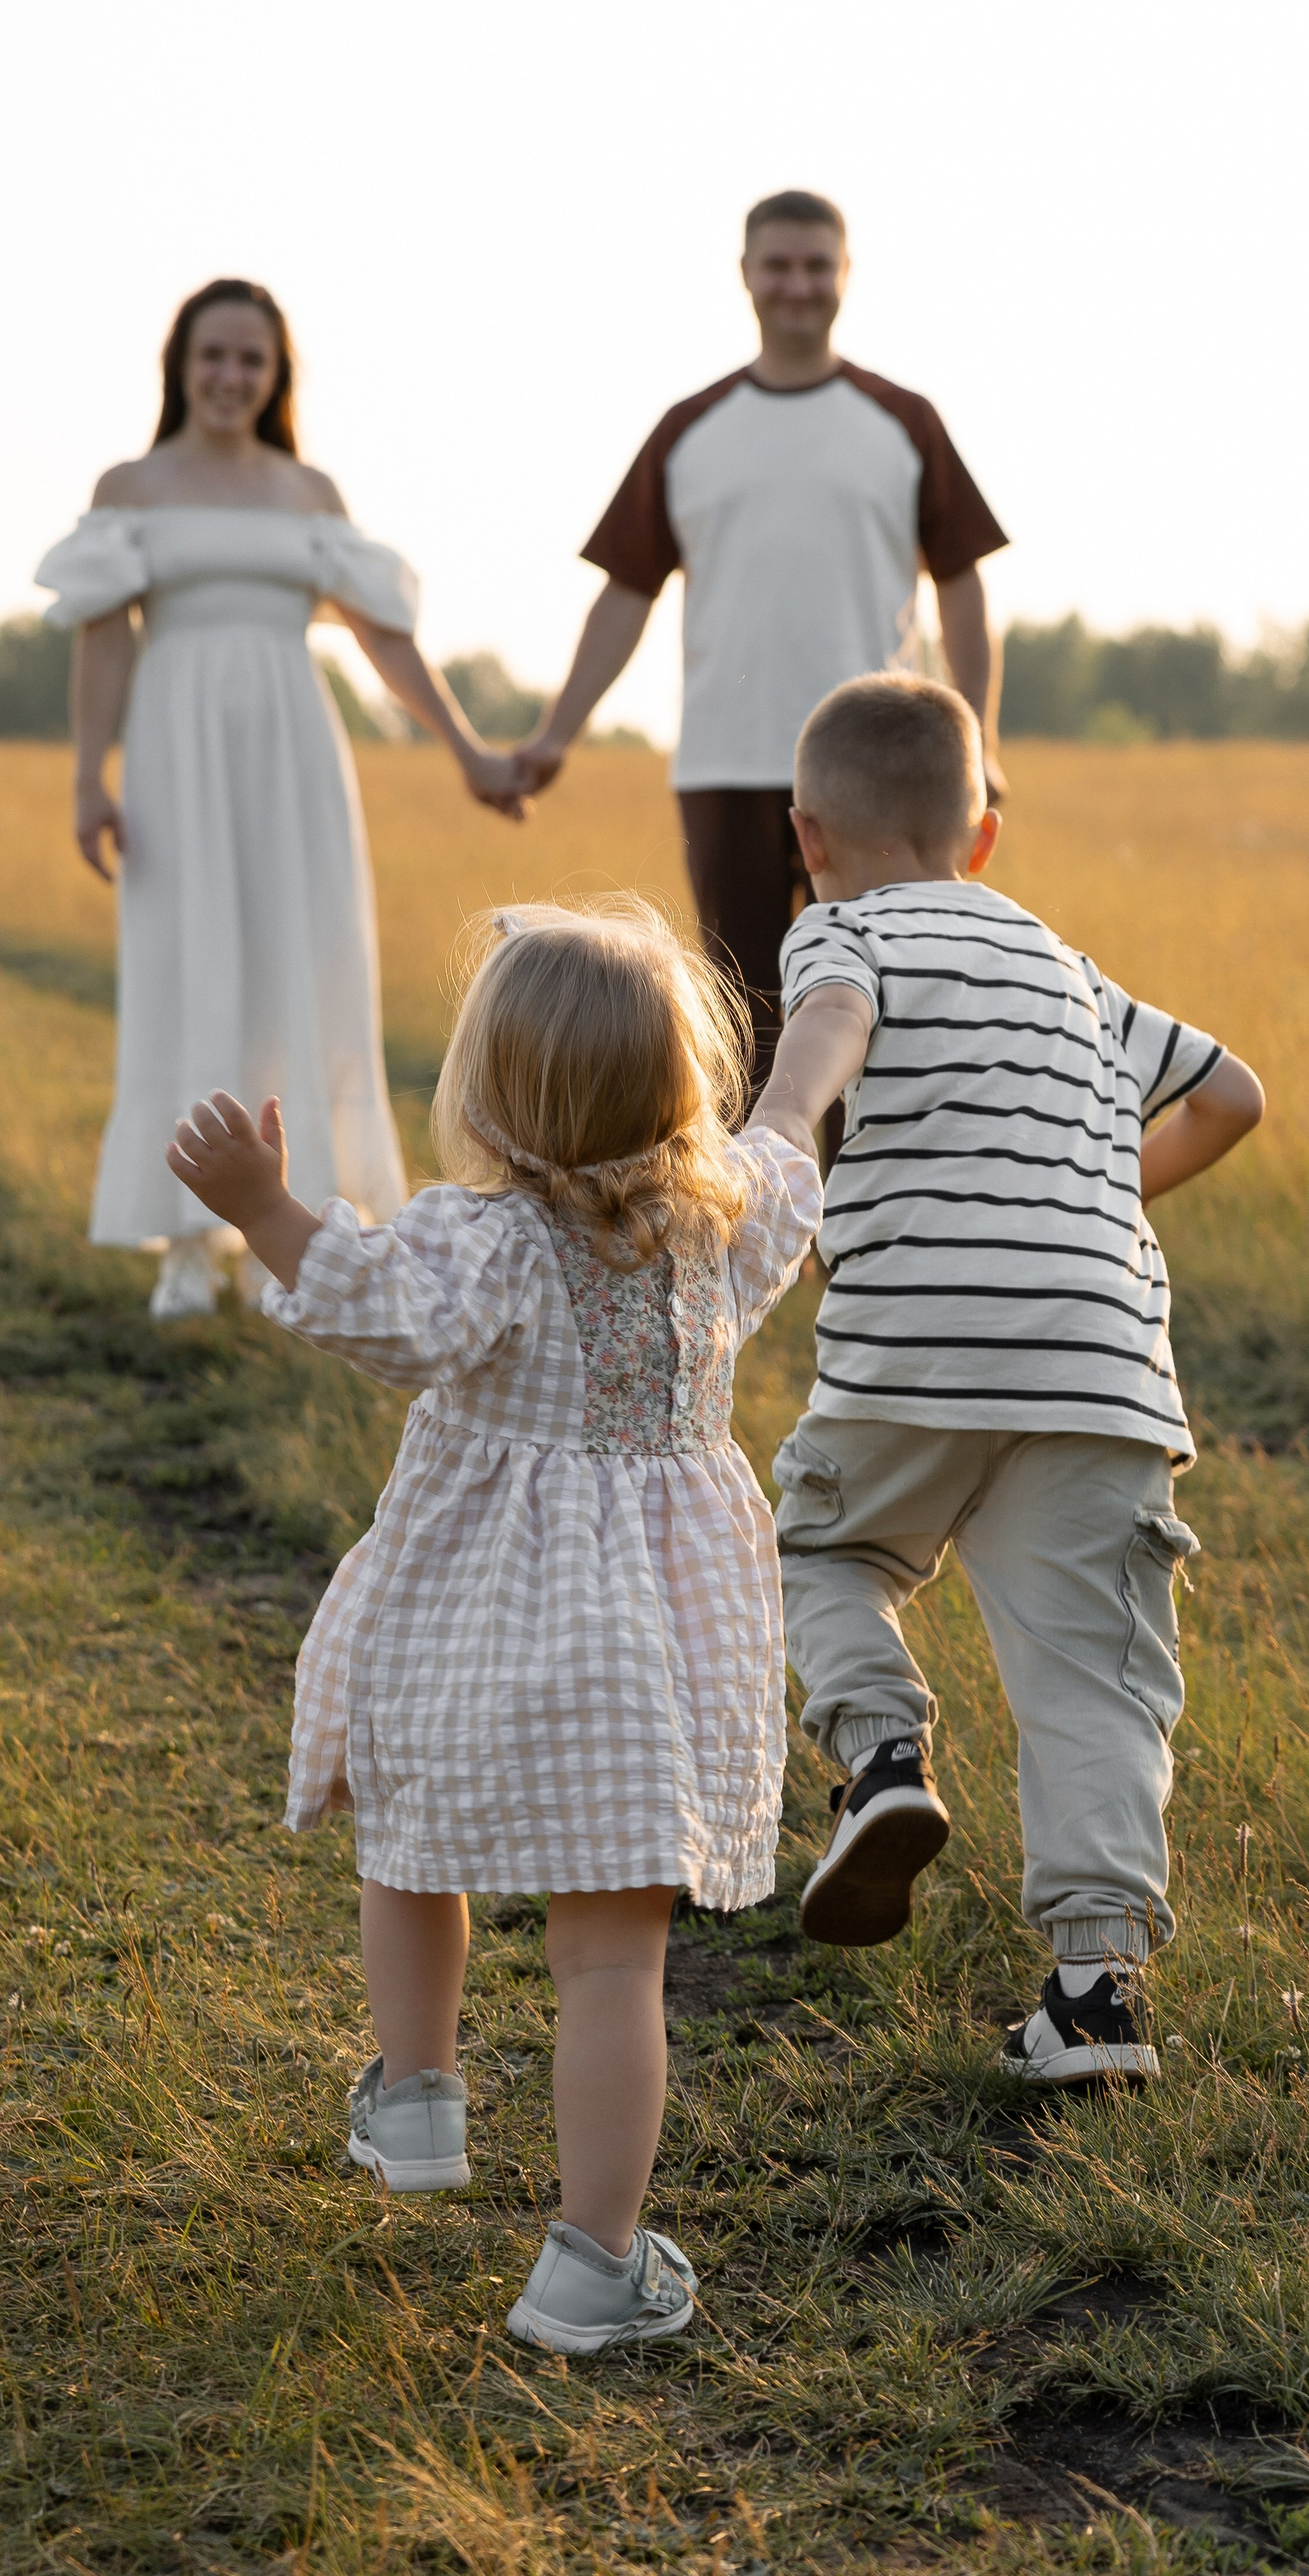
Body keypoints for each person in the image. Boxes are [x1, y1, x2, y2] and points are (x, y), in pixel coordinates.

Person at [164, 902, 821, 2349]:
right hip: (646, 1653)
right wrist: (821, 1035)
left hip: (473, 1613)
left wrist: (262, 1207)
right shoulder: (715, 1234)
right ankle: (593, 2261)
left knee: (411, 1834)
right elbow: (783, 1154)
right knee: (609, 1965)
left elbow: (378, 1311)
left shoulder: (488, 1243)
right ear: (679, 1086)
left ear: (489, 1094)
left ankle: (416, 2100)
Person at [748, 674, 1264, 2087]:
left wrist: (781, 1135)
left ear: (807, 834)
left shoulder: (837, 931)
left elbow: (831, 1028)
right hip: (1100, 1363)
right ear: (982, 834)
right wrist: (1108, 1193)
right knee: (1095, 1676)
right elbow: (1231, 1094)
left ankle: (883, 1757)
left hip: (914, 1341)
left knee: (819, 1550)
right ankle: (1094, 2003)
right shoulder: (1071, 969)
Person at [36, 277, 526, 1320]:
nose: (229, 377)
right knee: (188, 962)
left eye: (250, 360)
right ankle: (183, 1239)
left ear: (277, 374)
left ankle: (289, 1239)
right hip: (176, 754)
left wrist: (469, 748)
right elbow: (101, 639)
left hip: (295, 755)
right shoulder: (131, 484)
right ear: (180, 365)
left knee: (303, 967)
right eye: (212, 356)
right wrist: (90, 778)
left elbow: (385, 639)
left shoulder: (311, 494)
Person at [514, 189, 1008, 1134]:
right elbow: (626, 594)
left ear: (846, 275)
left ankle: (863, 1222)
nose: (798, 285)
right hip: (726, 760)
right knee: (743, 1011)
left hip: (883, 764)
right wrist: (554, 735)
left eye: (817, 265)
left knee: (881, 996)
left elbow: (964, 584)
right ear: (745, 275)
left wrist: (976, 740)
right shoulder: (690, 428)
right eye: (778, 265)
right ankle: (750, 1230)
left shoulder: (903, 421)